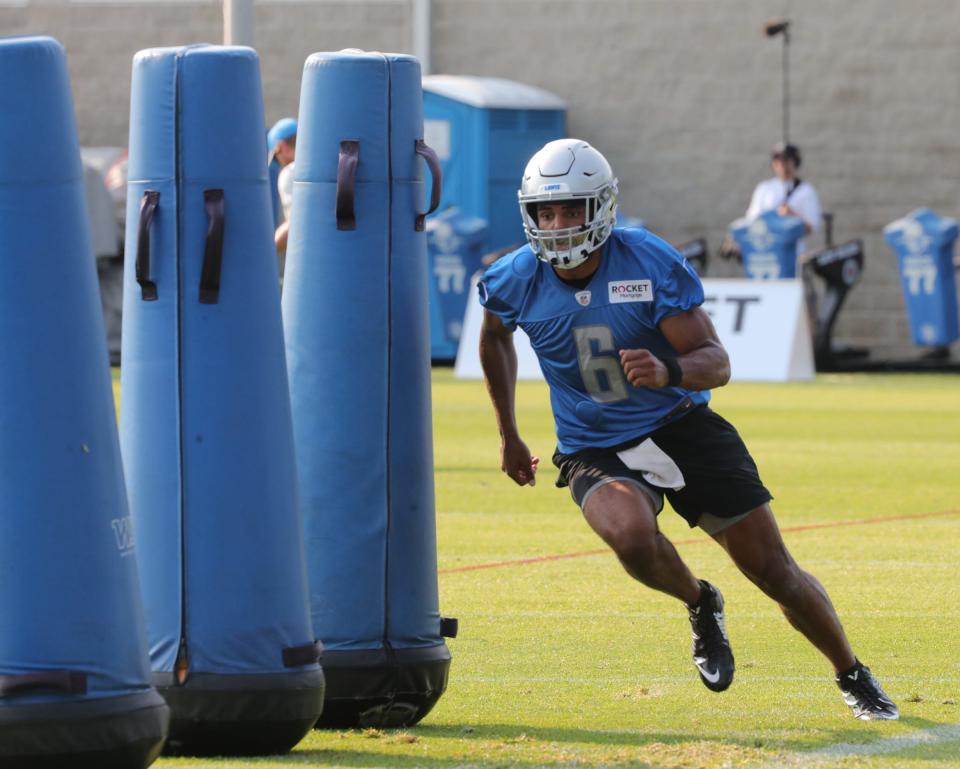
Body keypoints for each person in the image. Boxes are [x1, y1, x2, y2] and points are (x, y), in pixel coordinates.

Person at [477, 138, 898, 721]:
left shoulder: (646, 261)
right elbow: (495, 336)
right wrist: (509, 432)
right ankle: (700, 602)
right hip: (594, 445)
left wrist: (668, 369)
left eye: (571, 209)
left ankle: (851, 671)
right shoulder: (514, 278)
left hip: (680, 424)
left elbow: (716, 362)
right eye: (546, 212)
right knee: (627, 534)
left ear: (600, 207)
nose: (557, 224)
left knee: (774, 572)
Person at [745, 141, 822, 256]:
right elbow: (751, 220)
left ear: (795, 163)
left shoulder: (806, 191)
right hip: (765, 254)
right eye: (778, 161)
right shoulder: (764, 188)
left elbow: (812, 227)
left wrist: (792, 217)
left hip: (792, 255)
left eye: (786, 161)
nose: (782, 165)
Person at [267, 117, 297, 270]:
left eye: (277, 158)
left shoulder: (289, 173)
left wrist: (266, 257)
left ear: (282, 147)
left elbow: (296, 224)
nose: (280, 164)